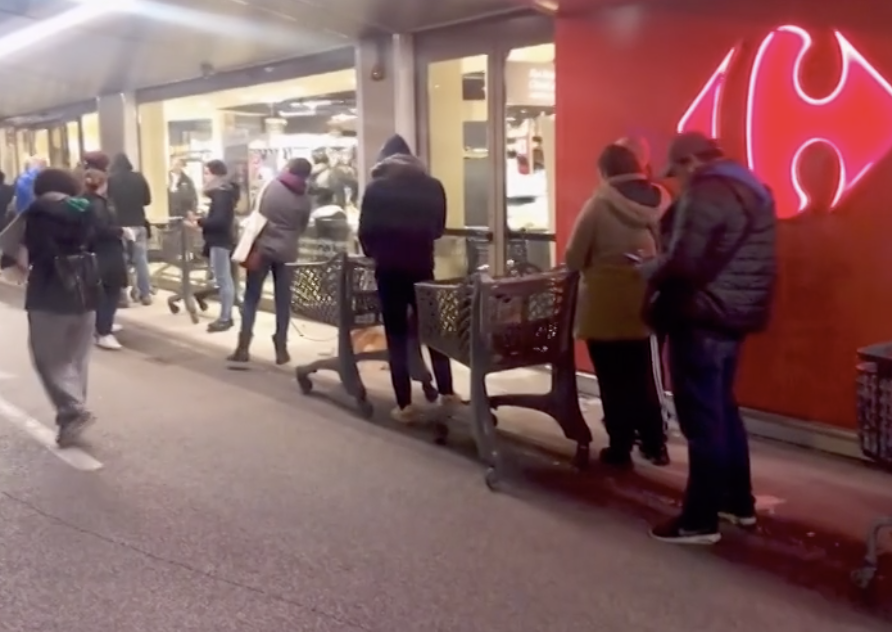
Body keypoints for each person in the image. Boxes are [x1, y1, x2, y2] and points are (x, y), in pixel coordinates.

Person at [643, 132, 777, 545]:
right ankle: (738, 502)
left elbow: (684, 261)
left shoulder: (707, 192)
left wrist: (650, 270)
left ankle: (699, 519)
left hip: (701, 315)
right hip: (735, 315)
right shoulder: (754, 190)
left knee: (702, 418)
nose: (678, 182)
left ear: (691, 163)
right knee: (723, 409)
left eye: (678, 173)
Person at [565, 144, 672, 468]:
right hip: (646, 300)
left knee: (613, 380)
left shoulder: (598, 205)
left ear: (606, 171)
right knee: (644, 376)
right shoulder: (663, 202)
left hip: (604, 305)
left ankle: (620, 447)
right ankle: (655, 443)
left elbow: (573, 257)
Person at [358, 134, 459, 422]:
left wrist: (376, 252)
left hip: (388, 268)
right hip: (422, 265)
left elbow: (366, 230)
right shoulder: (433, 186)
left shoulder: (377, 188)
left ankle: (405, 405)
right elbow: (438, 229)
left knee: (397, 335)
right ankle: (448, 392)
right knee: (433, 331)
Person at [1, 168, 101, 447]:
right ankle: (71, 417)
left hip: (50, 291)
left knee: (49, 358)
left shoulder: (34, 211)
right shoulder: (85, 208)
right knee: (76, 358)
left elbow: (17, 254)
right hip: (87, 291)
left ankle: (72, 410)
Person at [229, 157, 311, 365]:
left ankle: (243, 346)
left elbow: (258, 215)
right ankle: (281, 347)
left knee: (251, 297)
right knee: (283, 300)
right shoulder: (304, 196)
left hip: (263, 249)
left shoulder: (270, 186)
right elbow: (302, 226)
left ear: (288, 168)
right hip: (288, 252)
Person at [81, 152, 129, 351]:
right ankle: (104, 330)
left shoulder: (83, 200)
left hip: (93, 253)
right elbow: (101, 228)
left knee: (99, 292)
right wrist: (121, 231)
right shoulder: (99, 204)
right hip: (107, 252)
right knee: (110, 290)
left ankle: (101, 325)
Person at [195, 159, 238, 333]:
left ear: (214, 174)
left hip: (220, 240)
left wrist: (200, 222)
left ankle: (225, 318)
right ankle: (226, 316)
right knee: (223, 279)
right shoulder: (225, 193)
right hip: (222, 240)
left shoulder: (221, 194)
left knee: (223, 280)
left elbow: (219, 221)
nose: (204, 177)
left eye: (206, 173)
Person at [107, 153, 152, 305]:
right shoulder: (139, 177)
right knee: (141, 259)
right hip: (138, 222)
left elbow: (108, 202)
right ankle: (145, 293)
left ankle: (123, 296)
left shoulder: (111, 180)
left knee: (122, 260)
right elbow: (147, 200)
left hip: (120, 225)